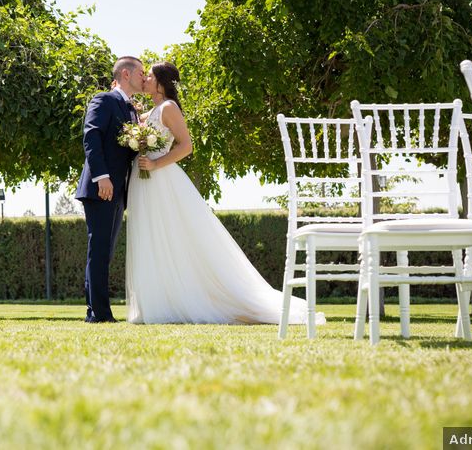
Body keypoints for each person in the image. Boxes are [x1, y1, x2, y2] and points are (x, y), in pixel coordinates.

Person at [126, 61, 325, 325]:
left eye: (149, 76)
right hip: (146, 182)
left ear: (161, 82)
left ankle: (182, 300)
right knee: (152, 237)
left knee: (173, 236)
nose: (145, 79)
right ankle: (157, 301)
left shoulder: (169, 108)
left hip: (162, 179)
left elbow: (186, 146)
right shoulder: (151, 109)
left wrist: (154, 164)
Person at [75, 56, 146, 322]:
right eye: (141, 72)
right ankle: (100, 314)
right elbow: (91, 136)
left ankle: (95, 311)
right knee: (100, 250)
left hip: (118, 190)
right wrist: (101, 177)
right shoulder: (104, 99)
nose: (144, 76)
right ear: (126, 74)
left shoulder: (132, 109)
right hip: (100, 187)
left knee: (104, 251)